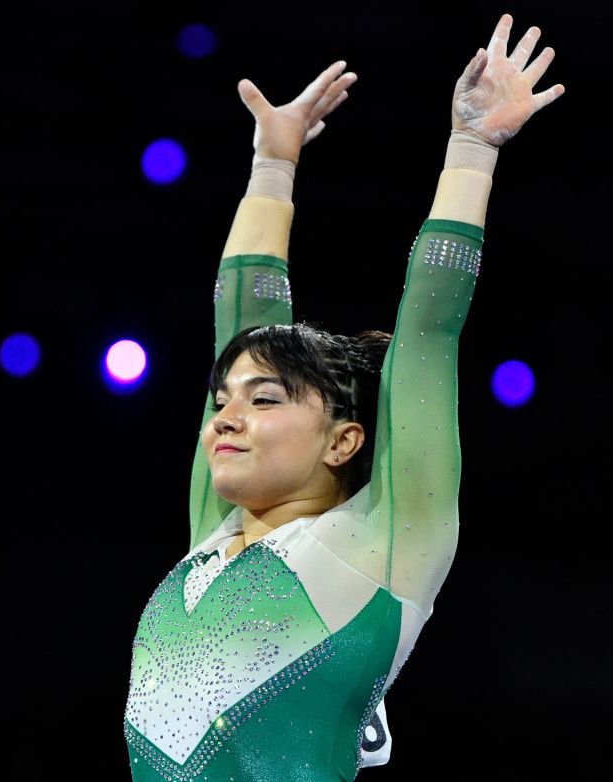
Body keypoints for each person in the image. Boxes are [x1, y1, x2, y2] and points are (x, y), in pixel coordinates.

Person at [123, 13, 564, 781]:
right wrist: (273, 160)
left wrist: (472, 147)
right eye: (223, 399)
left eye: (264, 402)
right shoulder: (213, 539)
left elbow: (428, 332)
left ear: (344, 440)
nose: (224, 416)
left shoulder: (384, 545)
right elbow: (241, 322)